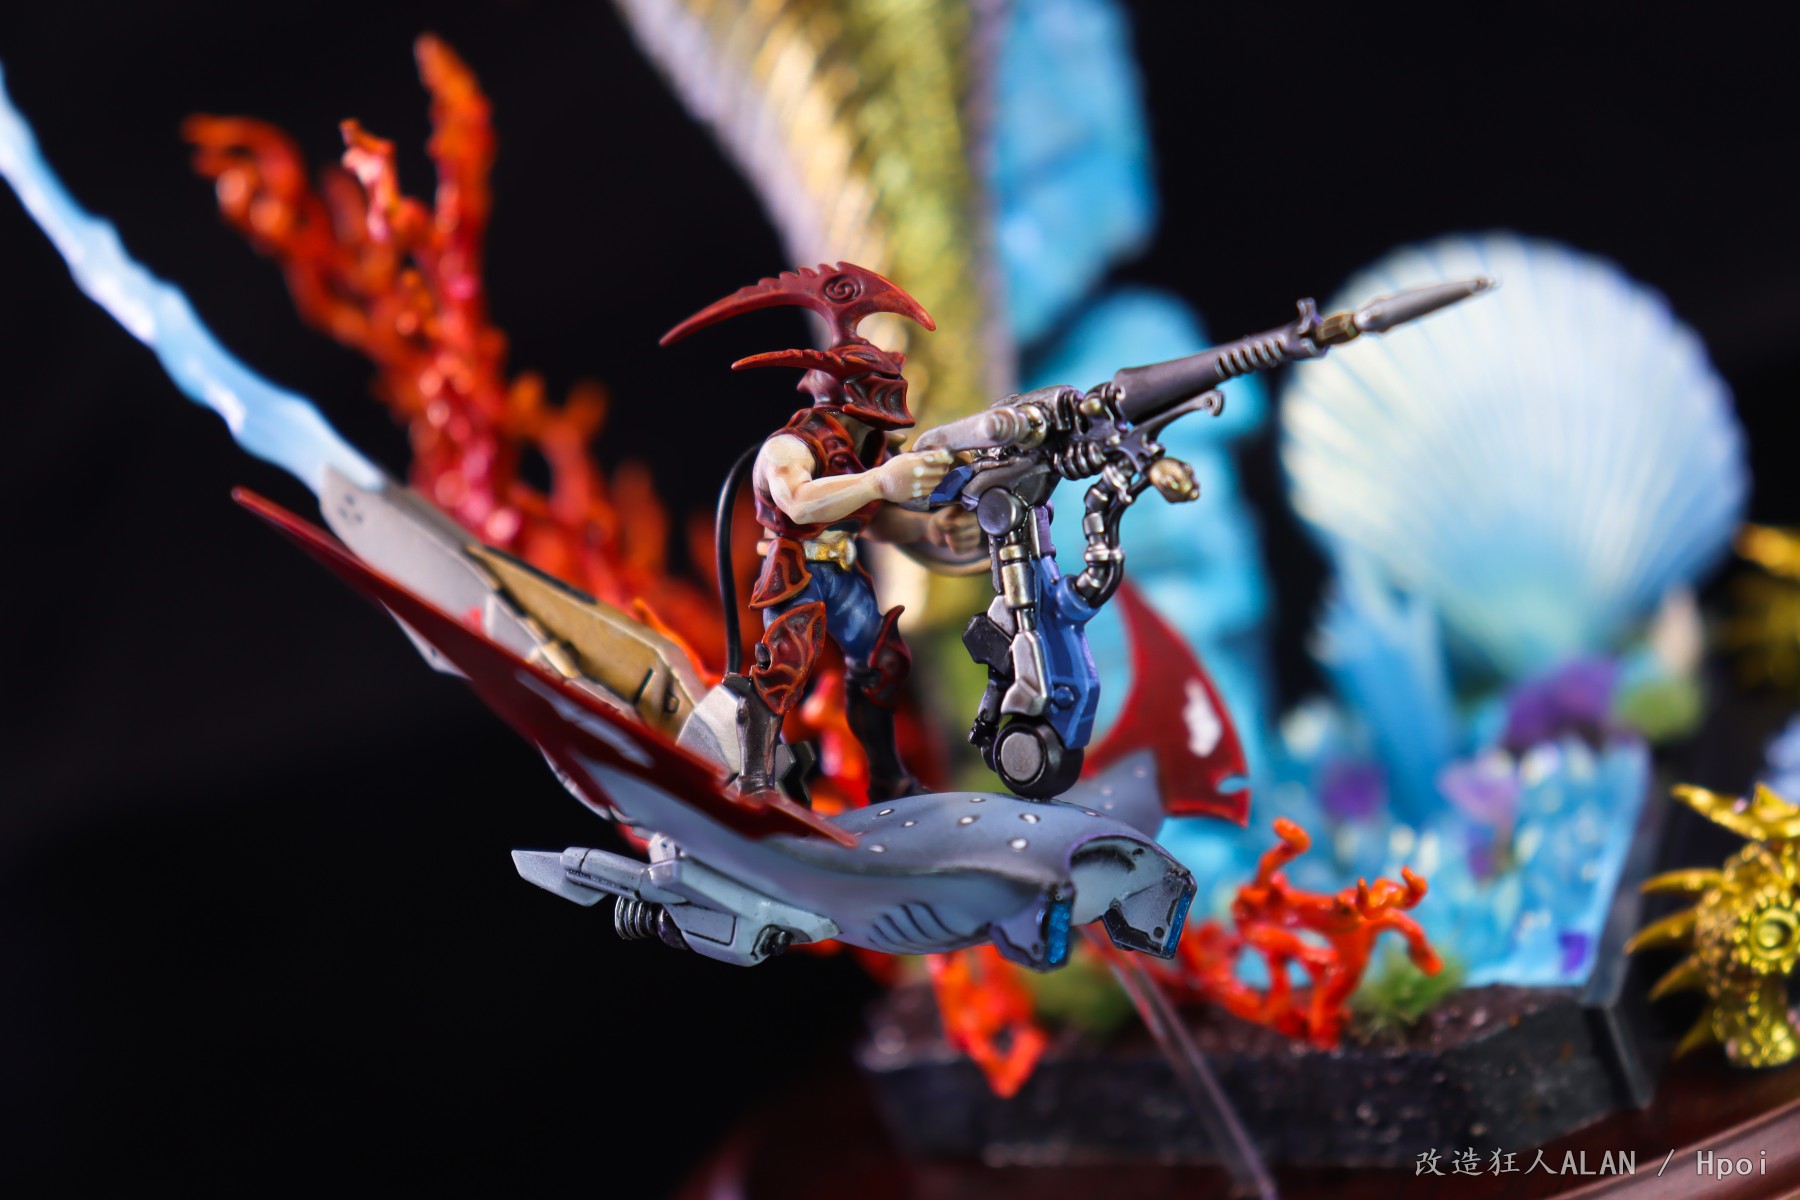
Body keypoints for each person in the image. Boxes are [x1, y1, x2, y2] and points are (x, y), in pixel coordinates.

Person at [663, 263, 982, 801]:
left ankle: (888, 778)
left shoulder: (867, 448)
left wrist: (932, 528)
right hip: (798, 571)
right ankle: (756, 781)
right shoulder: (789, 447)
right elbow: (801, 501)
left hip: (843, 569)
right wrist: (881, 481)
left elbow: (872, 520)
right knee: (783, 668)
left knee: (881, 664)